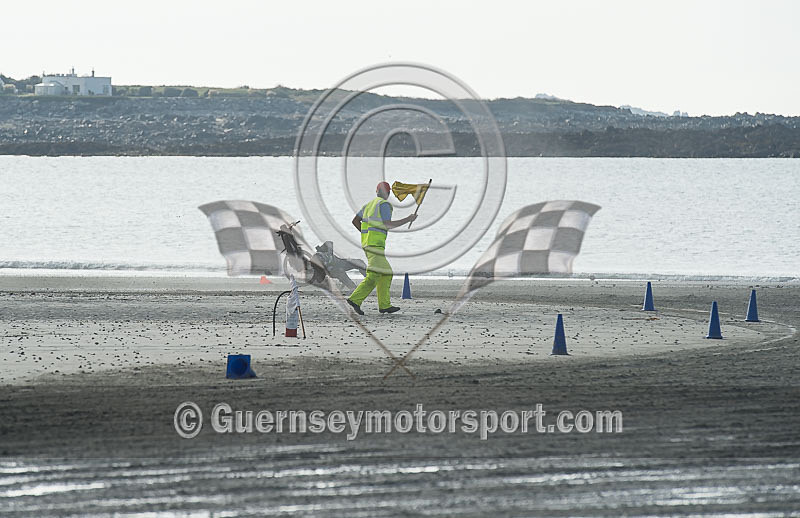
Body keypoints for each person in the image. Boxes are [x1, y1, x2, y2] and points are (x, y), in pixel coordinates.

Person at [347, 181, 417, 315]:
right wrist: (408, 219)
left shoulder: (368, 205)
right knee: (373, 275)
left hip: (368, 243)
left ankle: (384, 305)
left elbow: (355, 221)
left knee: (386, 273)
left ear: (377, 191)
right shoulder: (384, 205)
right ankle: (355, 299)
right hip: (375, 245)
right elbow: (387, 224)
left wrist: (365, 233)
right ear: (388, 193)